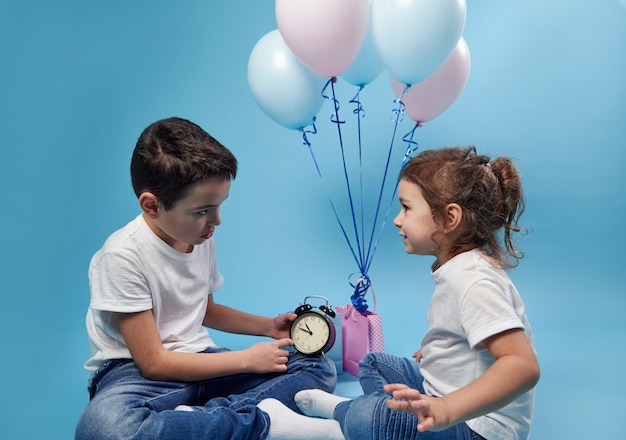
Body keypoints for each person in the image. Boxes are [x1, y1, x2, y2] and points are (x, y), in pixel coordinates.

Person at [75, 117, 337, 440]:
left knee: (317, 367)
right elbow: (153, 364)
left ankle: (196, 422)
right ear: (152, 205)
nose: (216, 221)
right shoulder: (121, 257)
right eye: (203, 211)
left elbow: (204, 308)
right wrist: (244, 360)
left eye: (218, 207)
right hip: (138, 377)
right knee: (102, 428)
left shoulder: (200, 237)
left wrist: (267, 326)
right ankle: (261, 421)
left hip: (202, 363)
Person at [258, 146, 540, 439]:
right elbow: (465, 334)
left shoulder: (475, 281)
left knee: (376, 417)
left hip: (474, 427)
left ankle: (337, 428)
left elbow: (522, 366)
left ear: (449, 218)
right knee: (375, 363)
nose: (397, 219)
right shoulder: (458, 268)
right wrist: (439, 352)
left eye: (407, 208)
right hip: (441, 392)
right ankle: (368, 417)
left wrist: (446, 409)